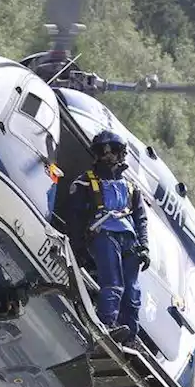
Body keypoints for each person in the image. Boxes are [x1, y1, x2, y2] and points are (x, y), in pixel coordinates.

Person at [67, 130, 150, 344]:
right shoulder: (84, 182)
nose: (108, 156)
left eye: (113, 150)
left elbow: (141, 219)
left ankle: (130, 338)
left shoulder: (132, 188)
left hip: (129, 240)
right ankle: (106, 326)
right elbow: (75, 219)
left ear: (122, 153)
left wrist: (145, 246)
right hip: (103, 235)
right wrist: (78, 249)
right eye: (103, 151)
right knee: (113, 285)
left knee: (132, 293)